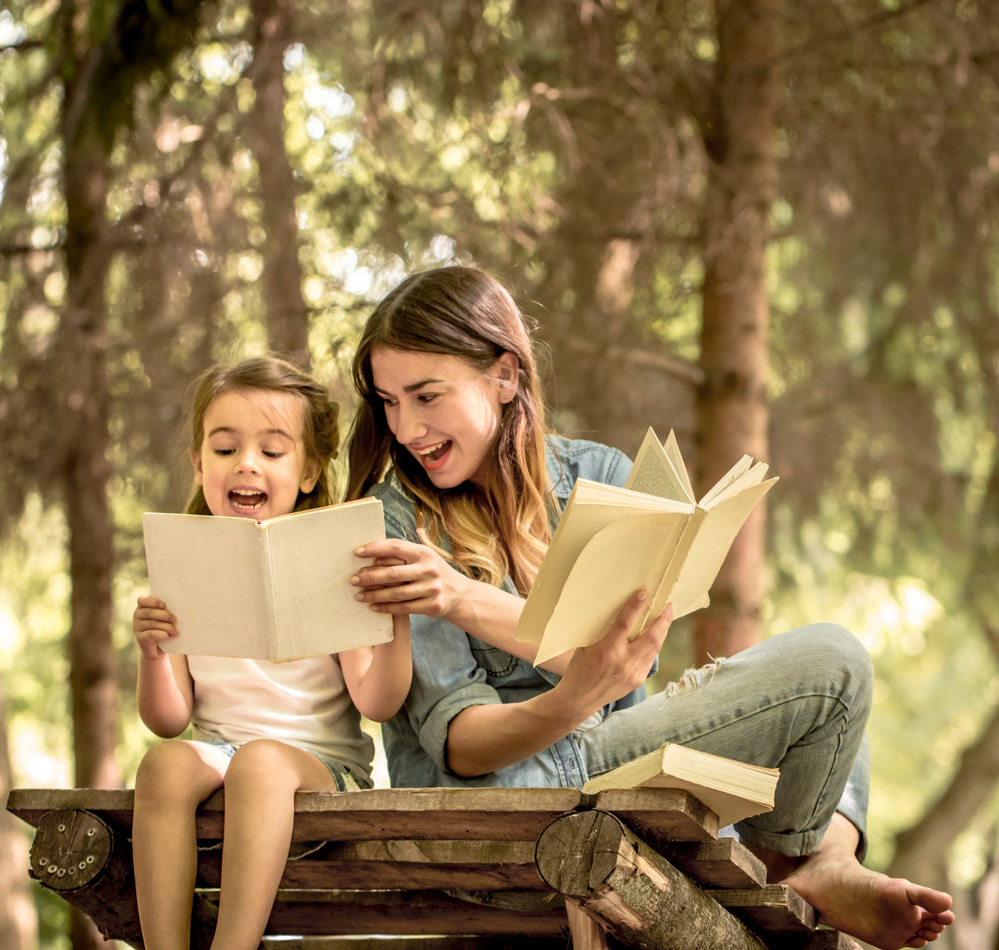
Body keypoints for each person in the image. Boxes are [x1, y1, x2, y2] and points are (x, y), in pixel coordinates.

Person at [344, 265, 954, 950]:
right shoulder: (392, 520)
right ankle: (808, 864)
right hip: (508, 797)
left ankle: (824, 863)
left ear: (506, 376)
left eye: (426, 396)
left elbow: (628, 666)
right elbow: (458, 745)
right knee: (832, 667)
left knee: (833, 714)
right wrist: (572, 697)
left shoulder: (598, 476)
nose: (406, 428)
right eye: (389, 402)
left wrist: (465, 599)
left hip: (619, 770)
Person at [131, 356, 411, 950]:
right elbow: (168, 720)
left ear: (309, 470)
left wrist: (396, 621)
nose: (246, 464)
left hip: (323, 769)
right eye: (225, 449)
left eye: (272, 451)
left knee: (260, 761)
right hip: (221, 756)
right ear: (198, 463)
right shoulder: (183, 567)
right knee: (164, 764)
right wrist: (154, 653)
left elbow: (378, 702)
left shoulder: (337, 562)